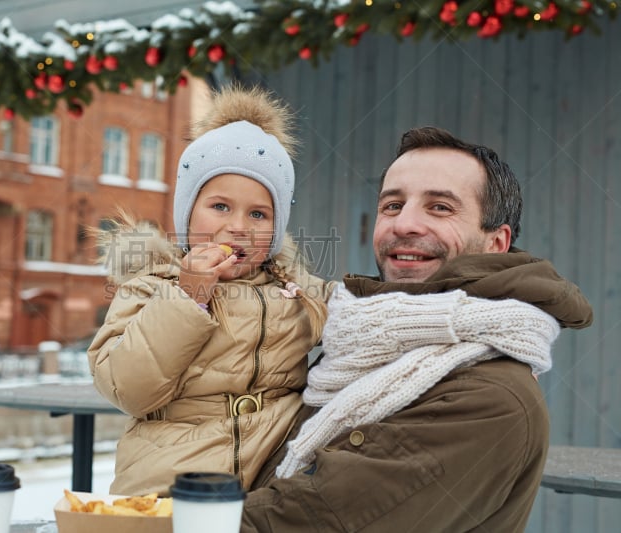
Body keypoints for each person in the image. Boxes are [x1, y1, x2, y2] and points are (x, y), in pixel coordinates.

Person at [240, 127, 593, 532]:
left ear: (497, 242)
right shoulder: (358, 341)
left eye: (440, 207)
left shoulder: (492, 399)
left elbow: (296, 524)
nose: (404, 224)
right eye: (392, 205)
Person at [87, 85, 335, 496]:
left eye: (258, 213)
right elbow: (128, 389)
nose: (238, 226)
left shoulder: (296, 291)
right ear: (187, 212)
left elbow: (360, 315)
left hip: (272, 473)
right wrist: (187, 297)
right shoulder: (150, 287)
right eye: (220, 206)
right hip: (172, 478)